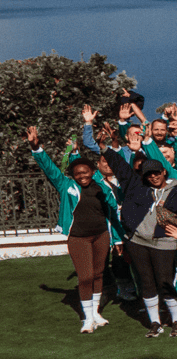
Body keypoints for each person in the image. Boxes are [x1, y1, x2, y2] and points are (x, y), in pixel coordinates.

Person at [26, 123, 120, 333]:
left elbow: (113, 210)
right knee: (85, 277)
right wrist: (36, 147)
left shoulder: (101, 186)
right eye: (77, 173)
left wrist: (117, 237)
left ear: (92, 172)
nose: (82, 176)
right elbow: (49, 168)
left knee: (98, 274)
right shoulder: (66, 185)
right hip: (78, 237)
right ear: (73, 175)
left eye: (85, 172)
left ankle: (96, 313)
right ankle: (87, 318)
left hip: (101, 235)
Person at [101, 147, 177, 337]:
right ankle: (155, 322)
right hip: (138, 242)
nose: (153, 177)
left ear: (164, 172)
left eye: (156, 173)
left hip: (165, 242)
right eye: (149, 174)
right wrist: (105, 149)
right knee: (146, 282)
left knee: (165, 281)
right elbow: (121, 167)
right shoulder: (137, 187)